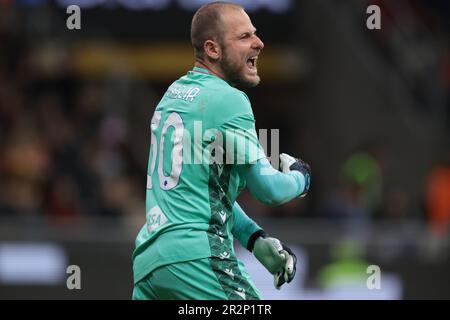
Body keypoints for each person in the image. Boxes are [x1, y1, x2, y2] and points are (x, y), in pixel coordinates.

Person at [132, 1, 311, 300]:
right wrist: (301, 177)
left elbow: (208, 194)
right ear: (213, 50)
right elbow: (270, 190)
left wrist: (254, 239)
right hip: (197, 258)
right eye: (244, 37)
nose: (259, 42)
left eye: (255, 33)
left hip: (151, 263)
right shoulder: (229, 100)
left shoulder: (173, 96)